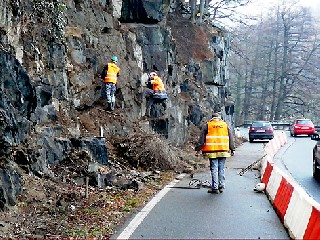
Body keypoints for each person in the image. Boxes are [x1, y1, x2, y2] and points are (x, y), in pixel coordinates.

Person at [195, 113, 235, 194]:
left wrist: (198, 149)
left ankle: (215, 188)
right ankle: (221, 185)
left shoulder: (208, 125)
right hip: (223, 150)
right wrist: (232, 149)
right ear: (219, 118)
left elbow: (202, 139)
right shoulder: (224, 125)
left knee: (214, 169)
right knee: (221, 169)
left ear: (212, 118)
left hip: (212, 151)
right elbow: (230, 137)